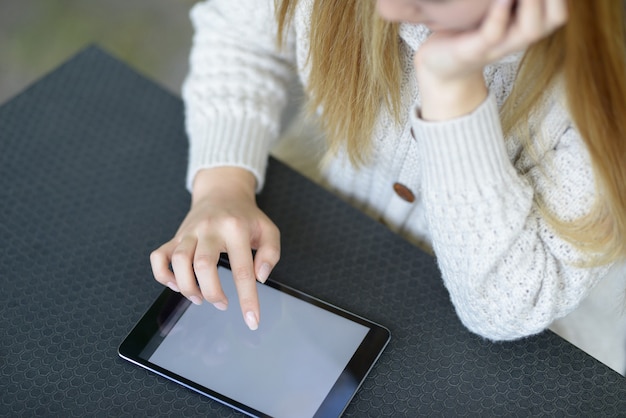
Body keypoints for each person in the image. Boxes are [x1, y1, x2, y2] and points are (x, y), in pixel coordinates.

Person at [150, 0, 626, 371]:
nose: (387, 12)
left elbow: (506, 303)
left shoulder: (606, 95)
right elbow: (240, 36)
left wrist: (452, 89)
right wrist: (222, 185)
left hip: (542, 342)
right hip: (336, 238)